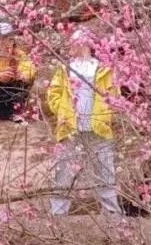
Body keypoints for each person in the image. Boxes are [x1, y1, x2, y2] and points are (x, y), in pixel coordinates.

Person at [46, 26, 121, 216]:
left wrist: (106, 114)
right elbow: (53, 93)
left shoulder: (104, 69)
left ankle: (111, 211)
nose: (71, 45)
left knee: (105, 169)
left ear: (86, 44)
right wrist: (62, 111)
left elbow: (114, 94)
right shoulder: (65, 69)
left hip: (98, 126)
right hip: (70, 126)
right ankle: (58, 213)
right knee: (63, 171)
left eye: (75, 42)